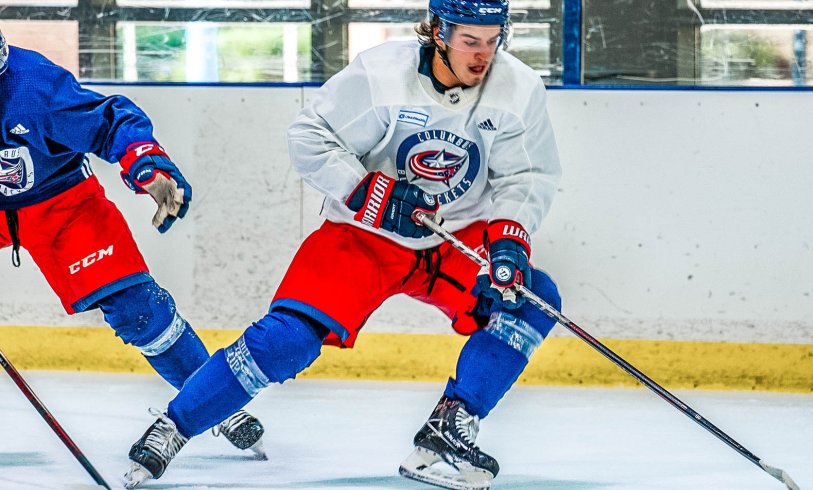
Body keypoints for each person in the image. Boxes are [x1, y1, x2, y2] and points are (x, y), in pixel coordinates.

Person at [124, 0, 562, 488]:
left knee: (529, 298)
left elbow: (527, 174)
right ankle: (174, 426)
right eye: (470, 41)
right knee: (287, 340)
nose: (484, 55)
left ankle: (449, 425)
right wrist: (370, 191)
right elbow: (309, 137)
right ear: (439, 32)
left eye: (492, 40)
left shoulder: (518, 89)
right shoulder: (382, 75)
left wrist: (509, 235)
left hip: (452, 239)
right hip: (365, 236)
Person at [0, 29, 266, 479]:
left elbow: (111, 122)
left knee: (139, 311)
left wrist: (150, 167)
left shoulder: (33, 88)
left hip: (58, 204)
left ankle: (210, 396)